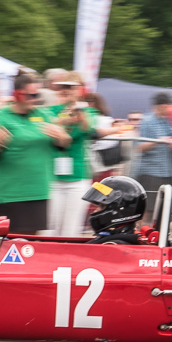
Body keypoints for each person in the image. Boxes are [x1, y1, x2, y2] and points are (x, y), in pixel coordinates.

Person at [0, 74, 72, 233]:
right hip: (12, 192)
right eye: (31, 95)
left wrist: (63, 137)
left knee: (32, 241)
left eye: (37, 95)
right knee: (12, 241)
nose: (35, 99)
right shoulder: (1, 117)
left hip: (38, 190)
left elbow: (63, 145)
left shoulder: (44, 115)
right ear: (18, 94)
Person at [46, 71, 103, 236]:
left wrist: (77, 110)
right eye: (63, 87)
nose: (66, 90)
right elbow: (49, 126)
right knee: (48, 229)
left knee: (70, 230)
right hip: (53, 177)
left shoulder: (88, 112)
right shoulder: (52, 110)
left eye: (70, 87)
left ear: (80, 89)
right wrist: (63, 117)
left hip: (78, 177)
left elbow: (88, 128)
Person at [134, 92, 172, 215]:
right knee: (148, 209)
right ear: (159, 106)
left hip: (168, 172)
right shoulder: (147, 121)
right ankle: (142, 233)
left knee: (163, 210)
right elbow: (139, 147)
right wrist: (159, 141)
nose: (169, 110)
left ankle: (158, 234)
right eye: (166, 107)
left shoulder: (167, 120)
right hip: (150, 173)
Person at [82, 176, 148, 244]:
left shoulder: (114, 245)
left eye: (102, 206)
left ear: (120, 210)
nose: (95, 211)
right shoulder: (110, 239)